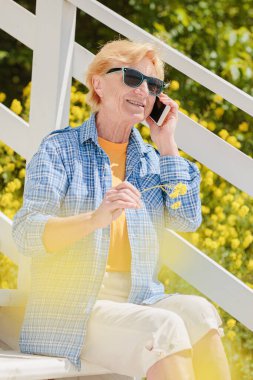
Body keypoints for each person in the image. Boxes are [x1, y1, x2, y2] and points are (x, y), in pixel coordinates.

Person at [12, 39, 231, 380]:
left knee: (200, 313)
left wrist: (166, 142)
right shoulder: (60, 149)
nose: (144, 90)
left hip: (140, 301)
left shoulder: (150, 160)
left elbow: (187, 218)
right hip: (74, 308)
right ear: (98, 82)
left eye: (153, 85)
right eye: (132, 78)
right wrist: (93, 219)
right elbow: (26, 233)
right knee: (165, 326)